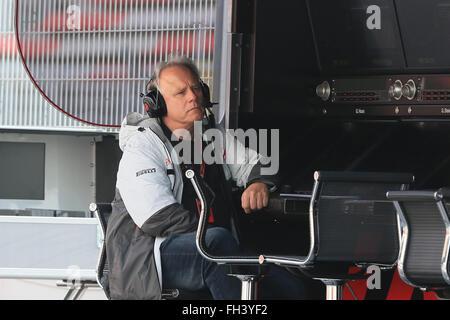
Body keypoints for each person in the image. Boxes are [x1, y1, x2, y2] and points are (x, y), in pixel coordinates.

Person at [103, 56, 322, 300]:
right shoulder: (143, 145)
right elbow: (157, 217)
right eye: (181, 92)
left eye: (196, 87)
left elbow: (261, 164)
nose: (193, 97)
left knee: (292, 289)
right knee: (216, 244)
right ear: (156, 104)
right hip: (150, 257)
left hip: (219, 248)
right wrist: (213, 236)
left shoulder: (211, 136)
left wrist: (259, 183)